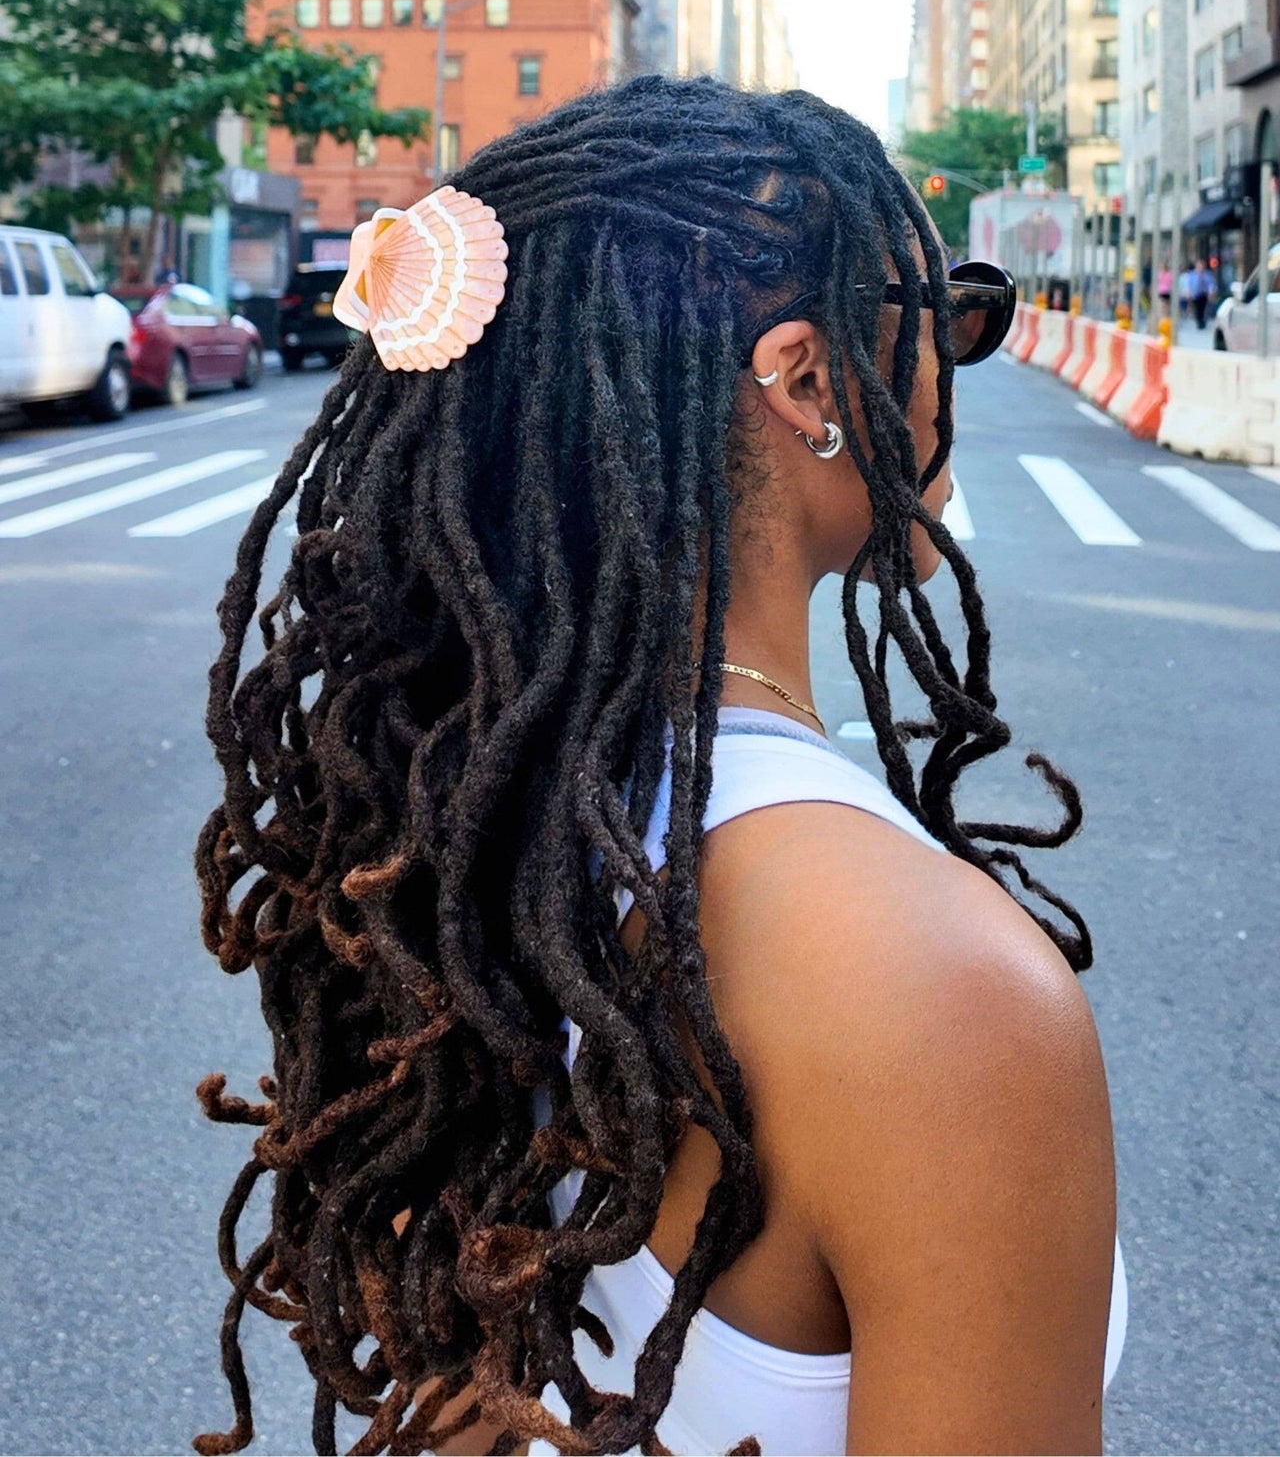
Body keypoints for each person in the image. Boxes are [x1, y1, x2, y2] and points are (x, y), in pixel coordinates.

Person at [195, 78, 1125, 1457]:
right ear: (807, 382)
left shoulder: (457, 837)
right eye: (950, 321)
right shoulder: (939, 992)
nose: (954, 363)